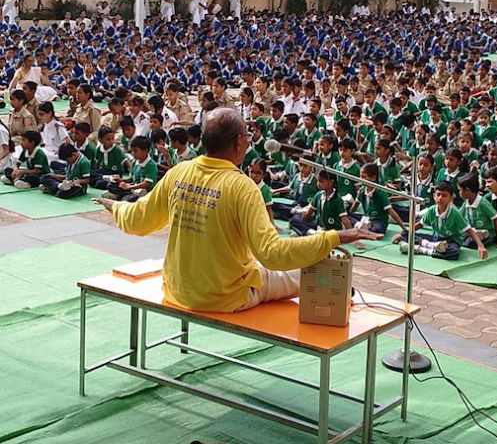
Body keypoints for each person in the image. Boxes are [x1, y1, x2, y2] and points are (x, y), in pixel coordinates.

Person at [96, 108, 381, 313]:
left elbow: (137, 220)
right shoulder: (242, 187)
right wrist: (336, 237)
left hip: (178, 289)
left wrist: (116, 206)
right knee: (301, 272)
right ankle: (346, 294)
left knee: (255, 265)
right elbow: (273, 254)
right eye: (246, 136)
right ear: (237, 142)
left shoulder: (178, 173)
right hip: (226, 296)